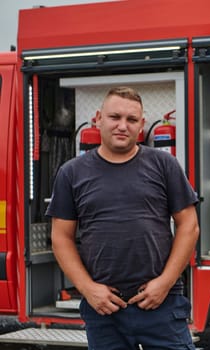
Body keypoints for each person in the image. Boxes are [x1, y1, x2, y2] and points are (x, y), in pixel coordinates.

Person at [46, 86, 200, 350]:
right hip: (104, 308)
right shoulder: (72, 173)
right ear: (98, 119)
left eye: (131, 120)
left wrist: (165, 282)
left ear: (141, 125)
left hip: (161, 303)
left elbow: (189, 226)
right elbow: (61, 237)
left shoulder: (164, 165)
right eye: (115, 117)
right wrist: (88, 289)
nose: (122, 126)